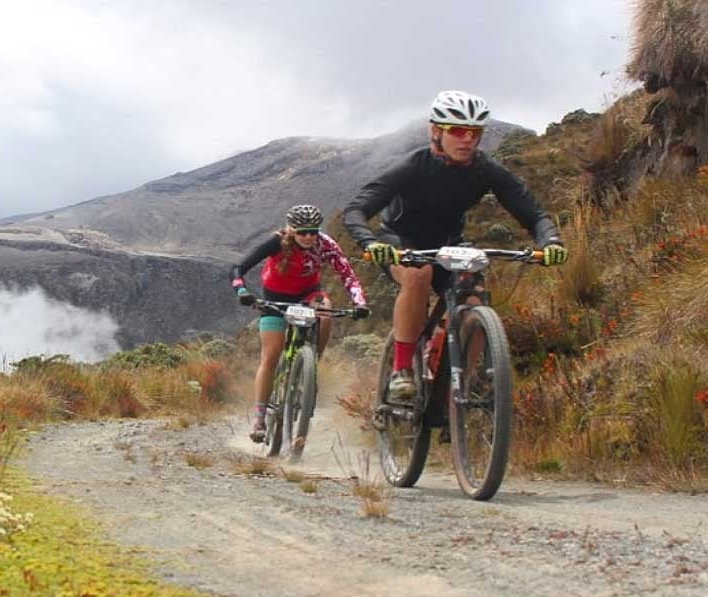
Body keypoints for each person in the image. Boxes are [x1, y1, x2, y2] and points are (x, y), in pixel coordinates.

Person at [342, 90, 568, 405]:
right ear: (436, 132)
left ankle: (460, 384)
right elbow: (356, 210)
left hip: (448, 244)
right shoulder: (414, 165)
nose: (468, 140)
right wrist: (370, 243)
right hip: (400, 241)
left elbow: (533, 213)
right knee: (417, 275)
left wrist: (550, 241)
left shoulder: (484, 169)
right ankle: (402, 371)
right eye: (458, 131)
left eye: (475, 133)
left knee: (473, 298)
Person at [231, 204, 370, 442]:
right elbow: (238, 268)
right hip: (274, 299)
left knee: (325, 312)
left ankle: (311, 365)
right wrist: (242, 290)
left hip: (308, 294)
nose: (308, 237)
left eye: (313, 231)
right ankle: (260, 418)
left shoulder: (325, 244)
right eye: (302, 232)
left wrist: (359, 303)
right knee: (271, 355)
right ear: (291, 230)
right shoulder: (276, 243)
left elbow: (347, 274)